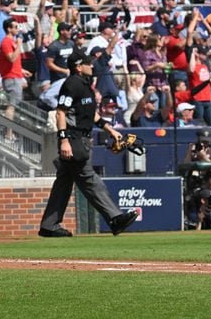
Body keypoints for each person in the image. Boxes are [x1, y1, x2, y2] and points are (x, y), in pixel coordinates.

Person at [38, 51, 139, 238]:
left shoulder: (84, 85)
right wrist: (64, 140)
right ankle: (114, 218)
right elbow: (61, 112)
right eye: (87, 63)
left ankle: (49, 224)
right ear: (78, 66)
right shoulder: (72, 84)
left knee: (64, 182)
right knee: (89, 179)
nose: (91, 66)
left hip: (81, 137)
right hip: (74, 138)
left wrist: (110, 129)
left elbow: (90, 114)